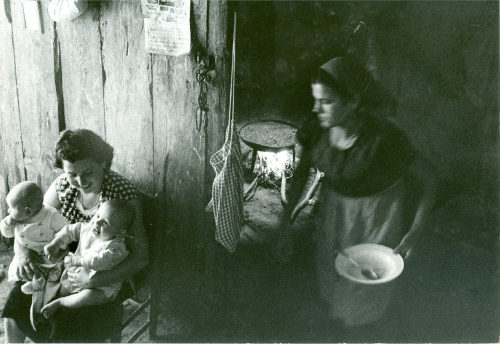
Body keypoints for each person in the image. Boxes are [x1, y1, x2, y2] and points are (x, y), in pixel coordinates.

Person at [278, 56, 437, 339]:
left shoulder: (383, 140)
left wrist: (415, 231)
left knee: (365, 290)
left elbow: (429, 177)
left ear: (352, 102)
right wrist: (285, 224)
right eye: (316, 100)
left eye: (326, 101)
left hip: (377, 217)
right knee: (332, 279)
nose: (316, 109)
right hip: (336, 212)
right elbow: (301, 174)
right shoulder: (317, 128)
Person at [2, 129, 148, 343]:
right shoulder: (63, 185)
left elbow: (140, 258)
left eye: (88, 171)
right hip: (65, 265)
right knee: (19, 297)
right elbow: (29, 222)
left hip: (106, 271)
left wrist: (93, 281)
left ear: (103, 163)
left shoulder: (122, 195)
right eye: (72, 174)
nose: (81, 180)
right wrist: (22, 251)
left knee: (70, 318)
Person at [41, 199, 133, 319]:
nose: (97, 223)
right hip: (79, 273)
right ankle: (46, 299)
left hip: (102, 286)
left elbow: (99, 261)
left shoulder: (116, 248)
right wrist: (56, 243)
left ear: (120, 233)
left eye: (105, 222)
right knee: (62, 285)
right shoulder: (91, 229)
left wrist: (78, 261)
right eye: (98, 216)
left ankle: (61, 302)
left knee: (87, 296)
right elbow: (71, 230)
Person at [0, 181, 68, 329]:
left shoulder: (50, 215)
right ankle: (33, 283)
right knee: (26, 271)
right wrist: (8, 222)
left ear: (28, 211)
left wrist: (58, 245)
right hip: (27, 252)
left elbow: (65, 231)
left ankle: (42, 292)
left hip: (48, 253)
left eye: (11, 209)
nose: (8, 212)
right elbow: (6, 232)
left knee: (51, 273)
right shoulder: (17, 218)